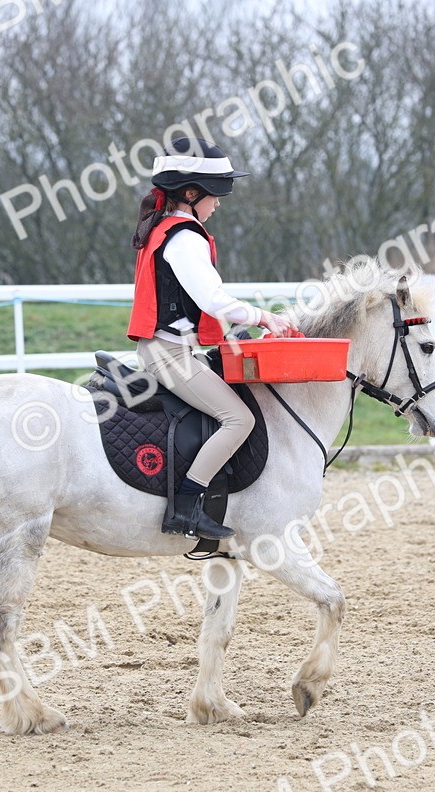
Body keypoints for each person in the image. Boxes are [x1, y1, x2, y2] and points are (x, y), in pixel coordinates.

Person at [127, 137, 298, 540]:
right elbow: (212, 299)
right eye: (216, 194)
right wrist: (263, 317)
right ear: (190, 193)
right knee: (239, 418)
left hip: (173, 346)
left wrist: (237, 329)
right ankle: (185, 508)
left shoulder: (168, 228)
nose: (219, 202)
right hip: (169, 353)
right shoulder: (185, 237)